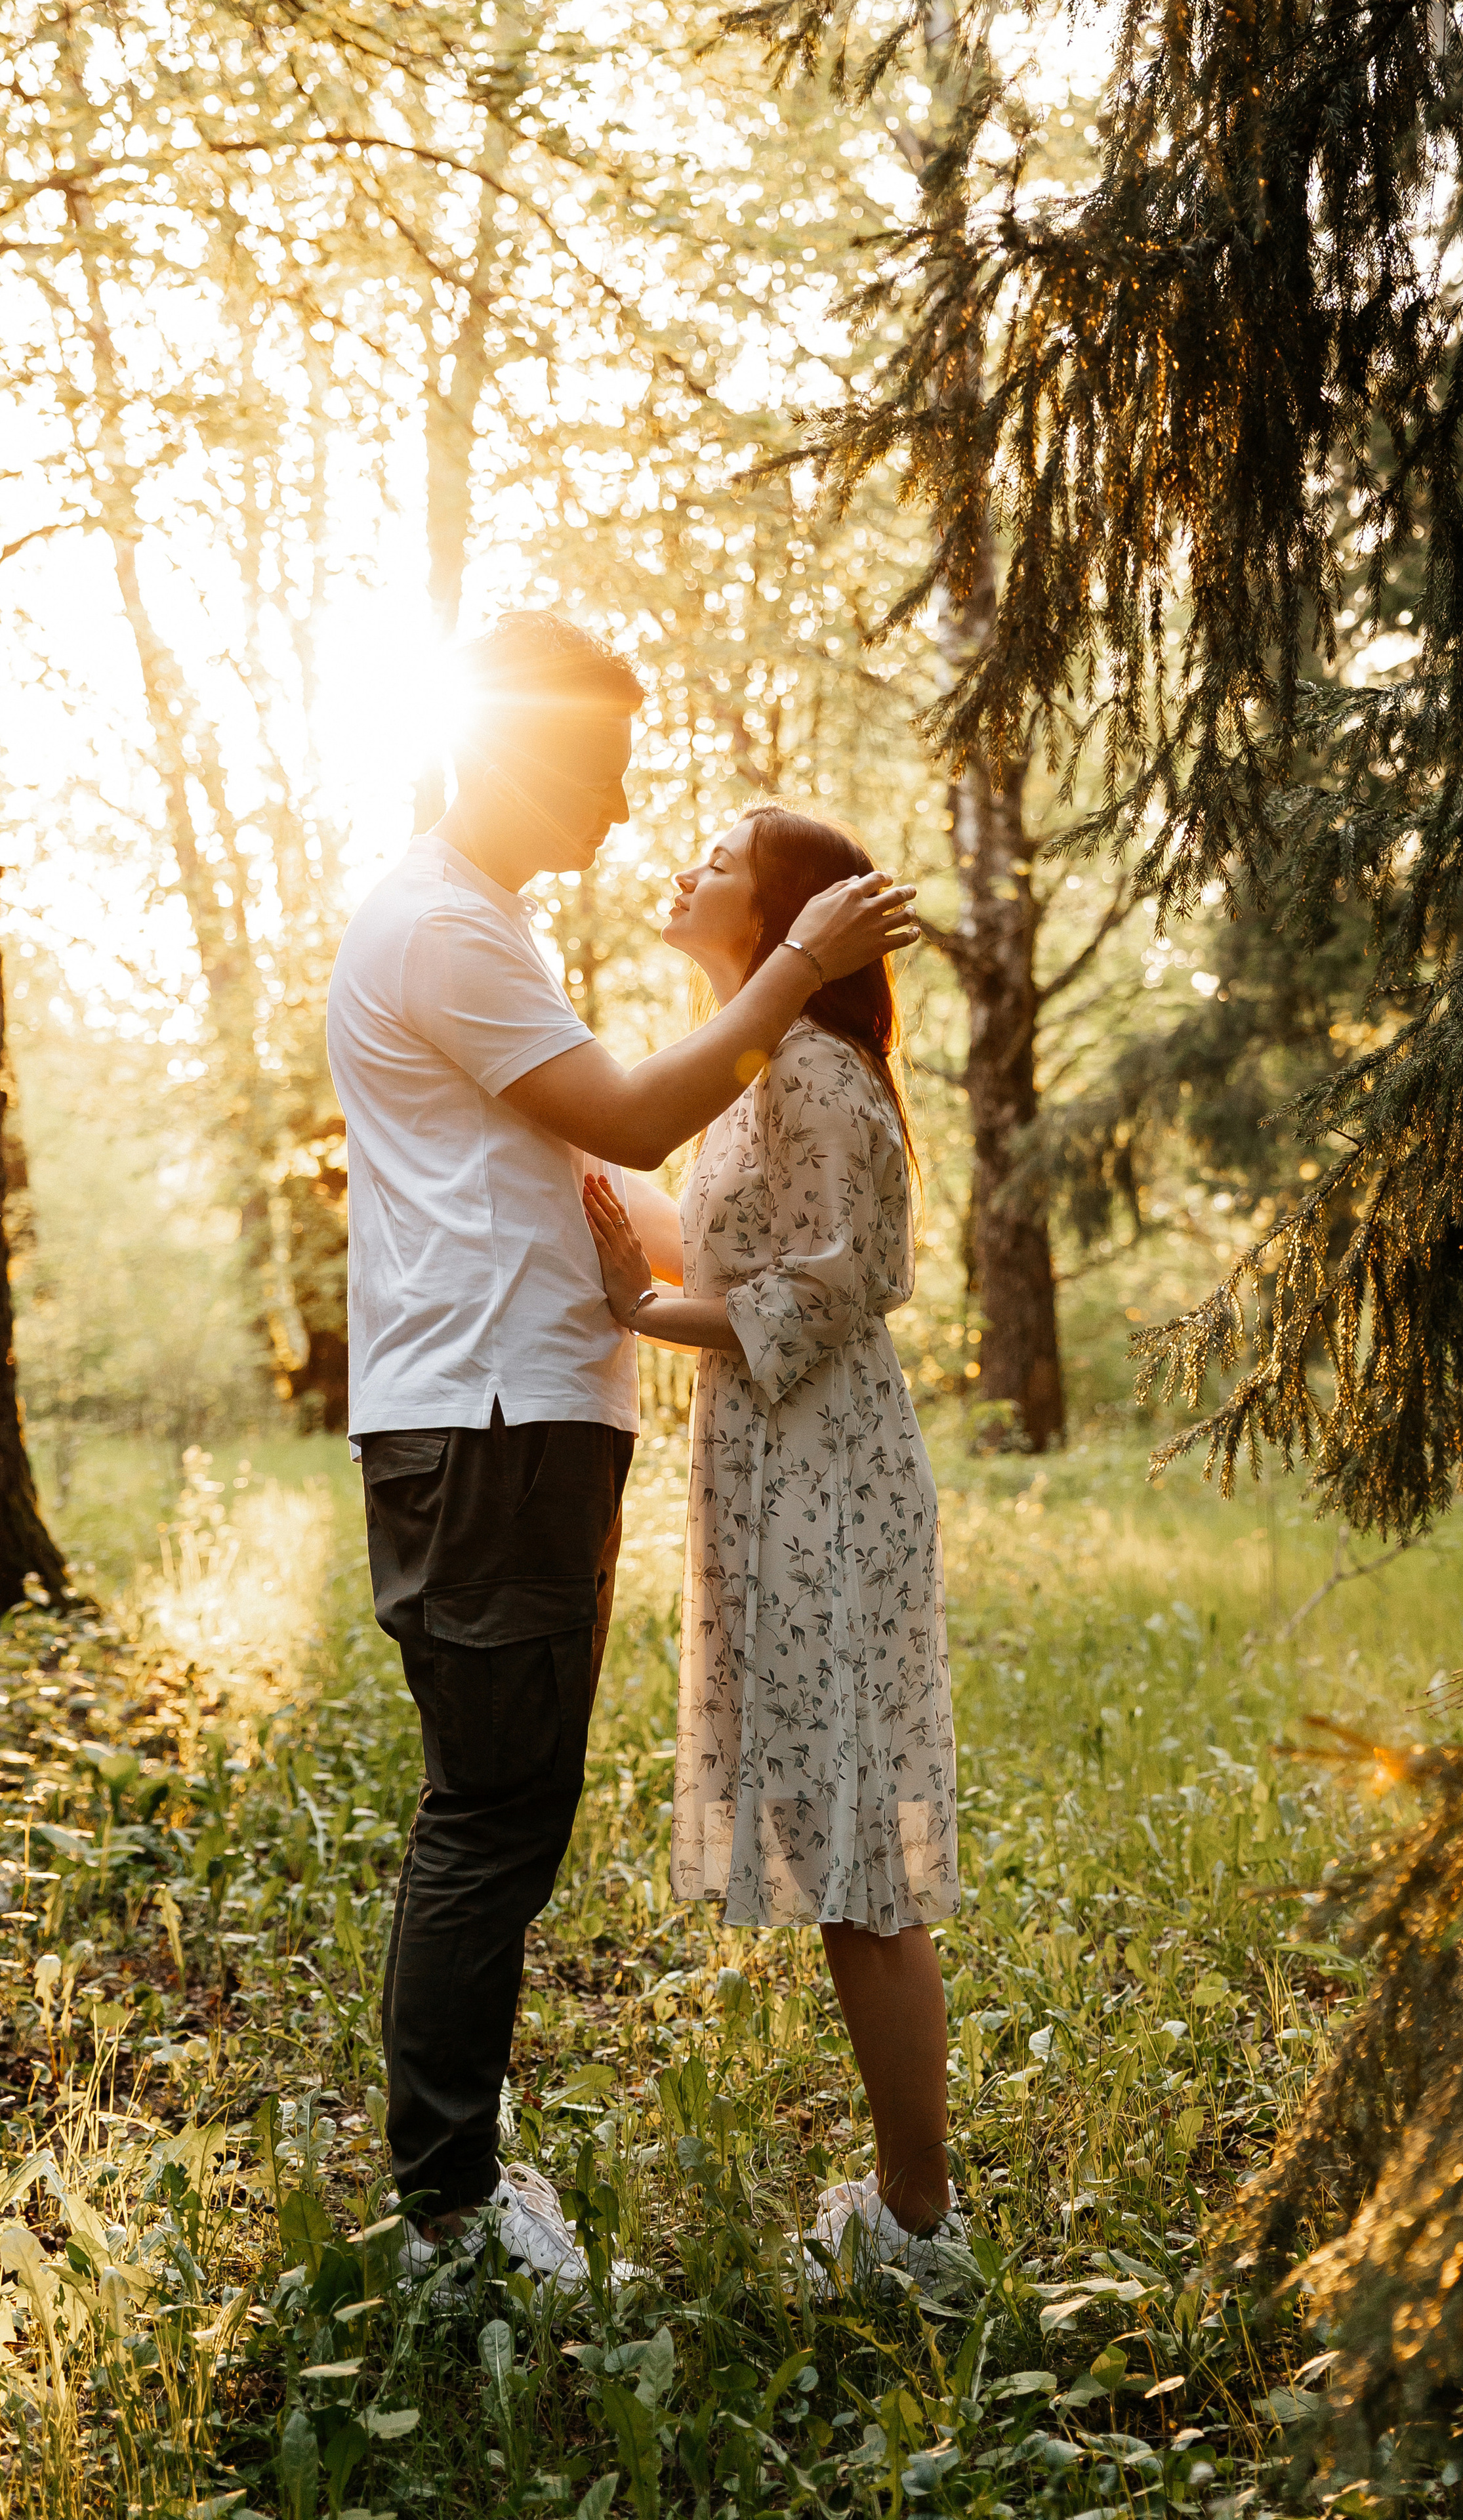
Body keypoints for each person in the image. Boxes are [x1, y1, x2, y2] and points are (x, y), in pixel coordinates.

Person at [325, 613, 917, 2286]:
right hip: (489, 1419)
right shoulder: (447, 926)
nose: (617, 799)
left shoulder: (482, 927)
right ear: (513, 751)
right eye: (598, 764)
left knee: (505, 1806)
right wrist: (793, 960)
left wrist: (670, 1284)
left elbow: (647, 1191)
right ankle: (448, 2219)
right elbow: (640, 1123)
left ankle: (457, 2186)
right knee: (492, 1817)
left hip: (520, 1412)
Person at [581, 801, 965, 2289]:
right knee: (832, 1829)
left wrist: (638, 1313)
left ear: (784, 914)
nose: (685, 870)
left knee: (856, 1847)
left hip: (826, 1478)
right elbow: (733, 1246)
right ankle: (909, 2209)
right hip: (768, 1470)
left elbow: (830, 1288)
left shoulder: (811, 1069)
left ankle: (919, 2231)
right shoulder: (749, 1075)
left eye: (719, 861)